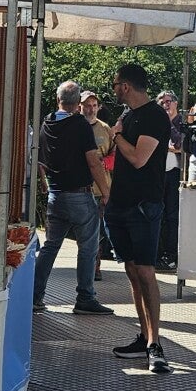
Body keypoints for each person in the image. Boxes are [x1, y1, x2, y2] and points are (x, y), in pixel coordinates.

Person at [104, 63, 174, 373]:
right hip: (120, 204)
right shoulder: (129, 116)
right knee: (132, 270)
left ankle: (155, 344)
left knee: (145, 271)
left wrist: (117, 135)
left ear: (126, 86)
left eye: (116, 84)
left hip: (143, 206)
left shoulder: (154, 116)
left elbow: (138, 158)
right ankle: (144, 336)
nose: (114, 89)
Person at [31, 81, 114, 314]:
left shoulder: (47, 123)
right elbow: (93, 162)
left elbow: (41, 162)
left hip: (56, 194)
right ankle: (85, 298)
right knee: (88, 247)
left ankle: (34, 296)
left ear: (58, 100)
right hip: (79, 194)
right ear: (78, 103)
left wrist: (45, 184)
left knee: (50, 246)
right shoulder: (80, 125)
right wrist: (106, 192)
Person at [81, 89, 116, 274]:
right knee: (83, 230)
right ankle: (85, 264)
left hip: (101, 187)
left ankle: (95, 265)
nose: (91, 109)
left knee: (97, 230)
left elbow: (115, 155)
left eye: (94, 105)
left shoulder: (105, 128)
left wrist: (104, 163)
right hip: (79, 187)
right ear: (80, 106)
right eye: (87, 105)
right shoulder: (74, 126)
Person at [156, 90, 186, 270]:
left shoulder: (182, 123)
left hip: (175, 173)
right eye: (162, 102)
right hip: (159, 173)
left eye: (168, 101)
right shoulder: (155, 122)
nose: (165, 105)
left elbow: (180, 145)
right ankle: (158, 253)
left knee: (172, 215)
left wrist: (169, 124)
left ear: (175, 103)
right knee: (157, 213)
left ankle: (171, 254)